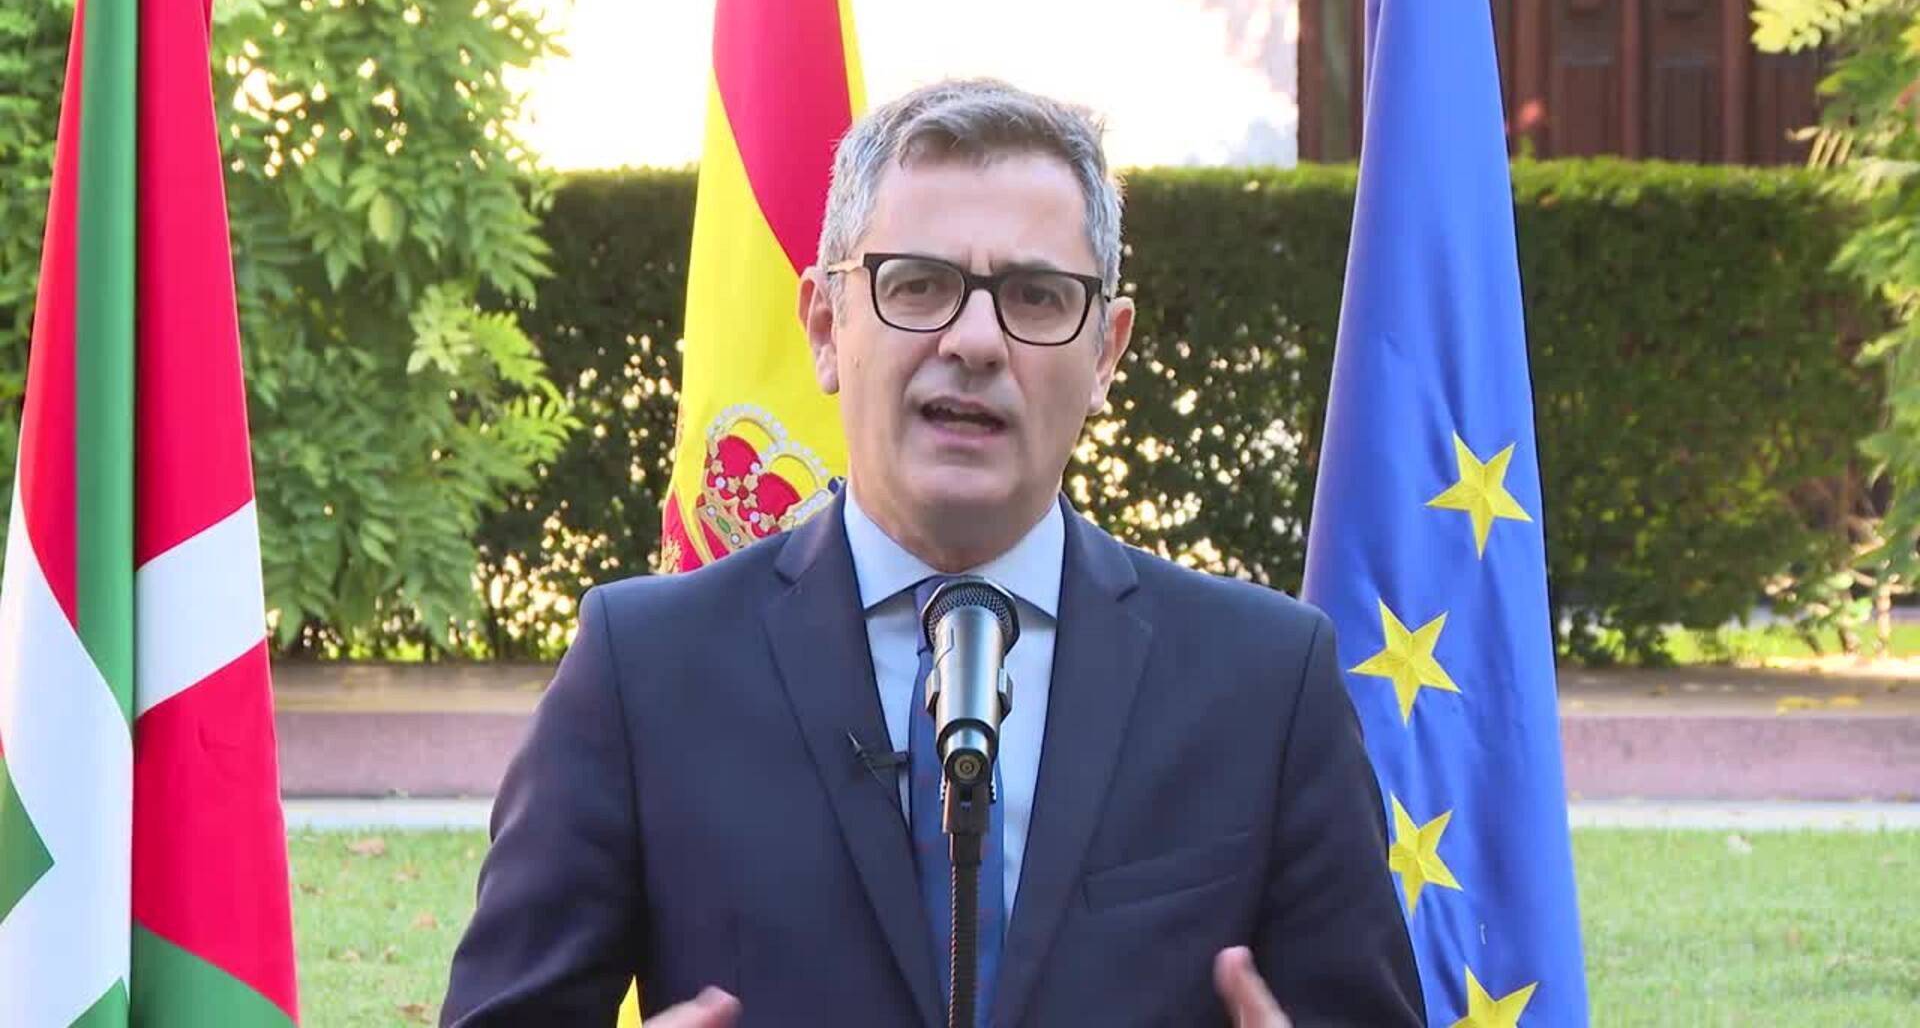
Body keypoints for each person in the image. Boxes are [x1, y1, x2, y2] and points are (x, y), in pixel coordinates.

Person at [441, 78, 1423, 1027]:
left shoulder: (1265, 684)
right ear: (825, 327)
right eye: (919, 286)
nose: (976, 340)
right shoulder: (643, 669)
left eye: (1036, 297)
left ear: (1106, 354)